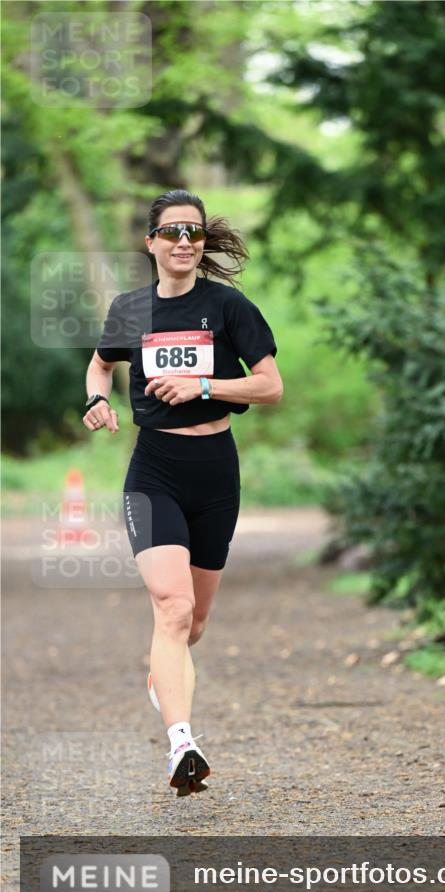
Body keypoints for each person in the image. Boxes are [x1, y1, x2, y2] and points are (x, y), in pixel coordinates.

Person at [83, 189, 282, 797]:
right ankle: (181, 745)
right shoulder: (129, 310)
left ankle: (162, 679)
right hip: (155, 471)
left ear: (202, 242)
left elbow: (270, 387)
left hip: (215, 471)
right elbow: (100, 365)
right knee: (171, 608)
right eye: (171, 232)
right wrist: (96, 399)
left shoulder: (228, 307)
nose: (184, 241)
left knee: (192, 624)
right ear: (151, 243)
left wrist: (202, 383)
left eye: (193, 232)